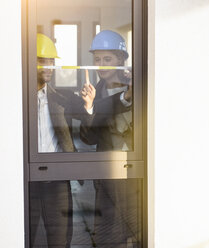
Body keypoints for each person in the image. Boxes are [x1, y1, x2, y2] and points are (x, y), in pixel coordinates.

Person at [80, 30, 140, 248]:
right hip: (108, 176)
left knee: (138, 229)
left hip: (136, 174)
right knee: (109, 235)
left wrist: (126, 96)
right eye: (97, 59)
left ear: (121, 59)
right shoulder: (92, 92)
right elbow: (88, 139)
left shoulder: (139, 85)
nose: (102, 64)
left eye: (108, 59)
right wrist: (88, 108)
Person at [30, 33, 91, 247]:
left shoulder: (62, 98)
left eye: (51, 61)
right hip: (26, 181)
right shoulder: (15, 98)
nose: (48, 66)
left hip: (56, 180)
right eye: (42, 60)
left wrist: (89, 105)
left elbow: (90, 130)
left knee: (60, 240)